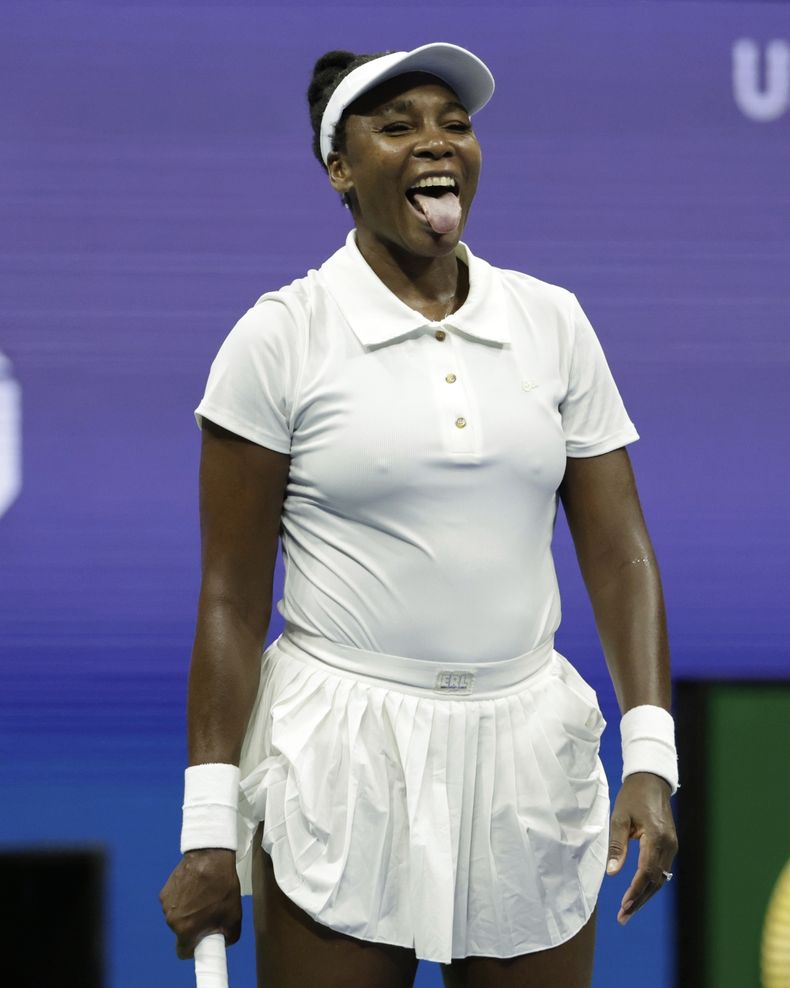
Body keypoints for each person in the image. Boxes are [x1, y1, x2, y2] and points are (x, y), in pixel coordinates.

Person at [159, 42, 679, 988]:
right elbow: (230, 597)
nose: (436, 144)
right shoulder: (280, 337)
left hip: (527, 746)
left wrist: (651, 753)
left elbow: (621, 553)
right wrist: (208, 831)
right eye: (397, 127)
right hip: (341, 750)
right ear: (340, 169)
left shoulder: (553, 321)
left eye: (455, 123)